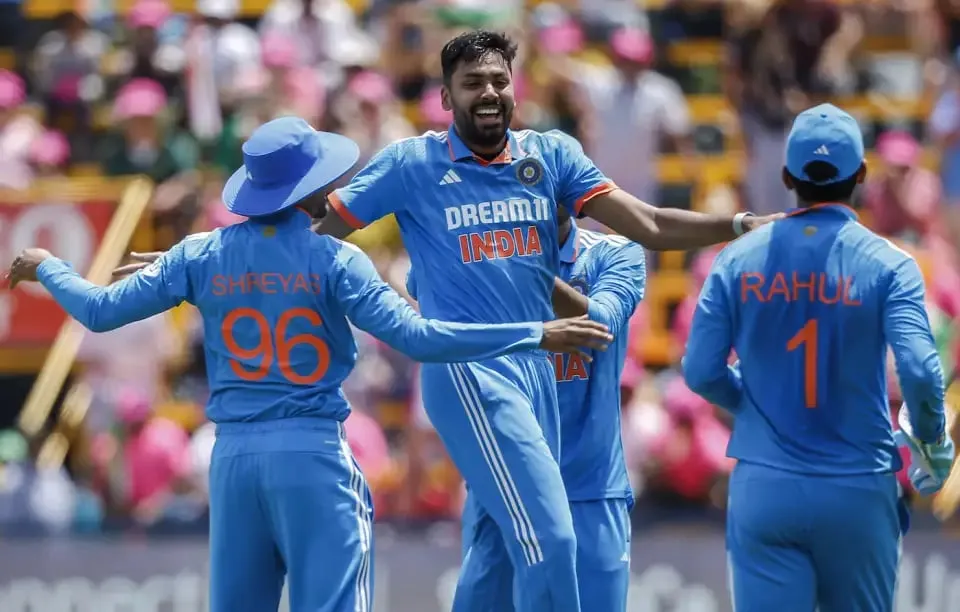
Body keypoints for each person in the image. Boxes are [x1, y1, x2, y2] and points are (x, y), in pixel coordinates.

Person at [115, 31, 778, 612]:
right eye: (472, 83)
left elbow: (654, 224)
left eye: (499, 80)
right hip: (469, 370)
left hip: (534, 379)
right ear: (446, 95)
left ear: (514, 88)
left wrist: (743, 223)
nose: (489, 92)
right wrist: (208, 260)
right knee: (550, 539)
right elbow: (308, 234)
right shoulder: (413, 164)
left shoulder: (552, 156)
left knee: (491, 565)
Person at [5, 117, 614, 612]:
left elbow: (100, 310)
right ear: (316, 187)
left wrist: (45, 266)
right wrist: (534, 333)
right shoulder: (336, 260)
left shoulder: (200, 254)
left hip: (233, 461)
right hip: (314, 458)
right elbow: (421, 338)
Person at [682, 103, 955, 612]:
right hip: (857, 486)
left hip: (765, 485)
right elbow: (920, 370)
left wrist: (750, 403)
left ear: (787, 176)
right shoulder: (892, 263)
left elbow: (699, 370)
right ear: (862, 177)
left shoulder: (736, 258)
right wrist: (933, 441)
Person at [409, 194, 646, 611]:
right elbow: (421, 280)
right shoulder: (480, 250)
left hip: (589, 489)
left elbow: (601, 324)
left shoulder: (616, 254)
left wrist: (519, 259)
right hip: (507, 492)